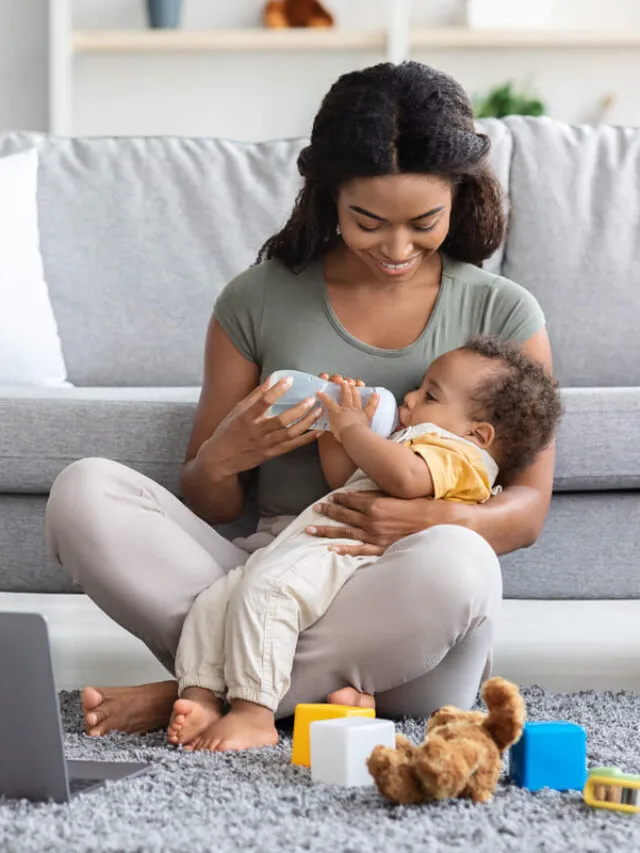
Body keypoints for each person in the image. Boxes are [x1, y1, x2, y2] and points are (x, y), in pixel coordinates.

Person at [45, 61, 555, 744]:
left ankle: (202, 691)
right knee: (83, 491)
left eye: (424, 222)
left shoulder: (502, 311)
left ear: (459, 198)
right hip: (269, 565)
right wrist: (224, 457)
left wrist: (414, 518)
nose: (397, 248)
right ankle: (293, 693)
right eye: (368, 222)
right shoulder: (257, 298)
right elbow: (210, 501)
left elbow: (525, 513)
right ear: (328, 197)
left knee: (462, 565)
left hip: (405, 611)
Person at [168, 336, 561, 751]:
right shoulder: (416, 443)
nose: (409, 398)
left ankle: (254, 714)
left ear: (477, 433)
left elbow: (406, 478)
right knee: (216, 601)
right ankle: (200, 697)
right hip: (313, 547)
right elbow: (346, 482)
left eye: (429, 394)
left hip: (345, 555)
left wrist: (354, 428)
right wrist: (333, 434)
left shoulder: (461, 457)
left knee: (267, 595)